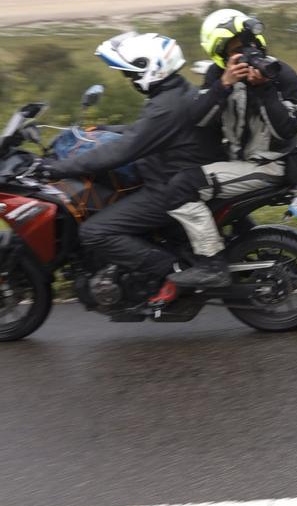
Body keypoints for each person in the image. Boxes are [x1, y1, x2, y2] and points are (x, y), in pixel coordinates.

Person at [38, 33, 222, 306]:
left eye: (130, 72)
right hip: (178, 174)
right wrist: (104, 130)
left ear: (151, 68)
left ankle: (172, 272)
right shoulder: (177, 91)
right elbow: (144, 133)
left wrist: (59, 168)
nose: (129, 78)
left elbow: (122, 151)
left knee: (95, 232)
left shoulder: (165, 107)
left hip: (169, 186)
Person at [165, 9, 297, 288]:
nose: (246, 52)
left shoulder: (281, 74)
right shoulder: (217, 75)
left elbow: (287, 131)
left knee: (181, 188)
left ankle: (211, 264)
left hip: (274, 163)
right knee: (183, 174)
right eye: (236, 49)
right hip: (239, 161)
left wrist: (264, 90)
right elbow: (199, 120)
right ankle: (236, 256)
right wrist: (223, 85)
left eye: (249, 43)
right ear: (220, 53)